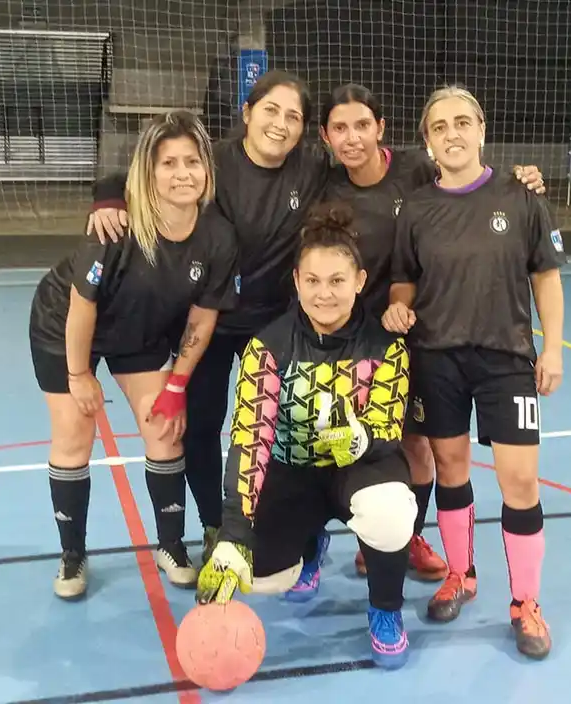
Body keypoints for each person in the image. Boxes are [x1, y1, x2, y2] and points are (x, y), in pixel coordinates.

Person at [288, 82, 549, 599]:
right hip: (343, 334)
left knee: (418, 448)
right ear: (325, 136)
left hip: (409, 336)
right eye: (340, 128)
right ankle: (317, 544)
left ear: (381, 129)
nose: (352, 137)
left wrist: (525, 179)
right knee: (323, 441)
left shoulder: (416, 172)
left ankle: (404, 539)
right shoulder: (323, 184)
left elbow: (471, 180)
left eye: (362, 125)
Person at [85, 71, 332, 568]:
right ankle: (214, 523)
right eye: (271, 110)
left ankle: (294, 524)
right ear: (247, 112)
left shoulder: (312, 166)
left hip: (275, 320)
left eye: (293, 116)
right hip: (208, 317)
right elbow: (142, 170)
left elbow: (377, 163)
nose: (280, 124)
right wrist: (108, 196)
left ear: (304, 129)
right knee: (199, 426)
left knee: (291, 425)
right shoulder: (210, 161)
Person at [386, 85, 567, 660]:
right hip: (436, 358)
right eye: (439, 127)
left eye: (463, 122)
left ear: (482, 130)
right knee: (450, 467)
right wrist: (397, 305)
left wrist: (553, 349)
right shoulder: (416, 209)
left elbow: (546, 277)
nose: (453, 134)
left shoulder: (521, 196)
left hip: (505, 359)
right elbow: (403, 281)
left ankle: (526, 602)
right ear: (427, 142)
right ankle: (460, 573)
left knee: (520, 481)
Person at [195, 202, 417, 670]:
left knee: (392, 513)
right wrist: (233, 533)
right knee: (261, 577)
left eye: (337, 281)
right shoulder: (267, 347)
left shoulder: (386, 348)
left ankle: (385, 609)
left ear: (359, 281)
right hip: (292, 471)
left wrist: (360, 440)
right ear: (296, 281)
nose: (324, 294)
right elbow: (250, 437)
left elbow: (388, 426)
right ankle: (310, 546)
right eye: (312, 281)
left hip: (359, 469)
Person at [27, 111, 239, 598]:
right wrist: (78, 375)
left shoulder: (217, 237)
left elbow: (202, 318)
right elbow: (82, 305)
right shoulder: (116, 226)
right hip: (65, 326)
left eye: (192, 162)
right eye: (169, 163)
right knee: (75, 433)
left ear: (206, 170)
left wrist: (177, 384)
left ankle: (171, 546)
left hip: (140, 331)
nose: (182, 173)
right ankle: (73, 555)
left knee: (164, 428)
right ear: (149, 172)